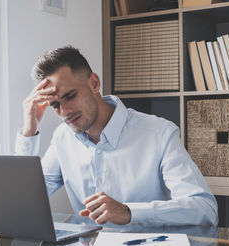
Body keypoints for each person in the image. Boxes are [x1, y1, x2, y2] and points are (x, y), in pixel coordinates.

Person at [15, 46, 218, 226]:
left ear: (94, 83)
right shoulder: (63, 138)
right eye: (55, 105)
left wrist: (129, 212)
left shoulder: (159, 133)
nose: (65, 111)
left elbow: (205, 209)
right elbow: (23, 199)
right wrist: (29, 131)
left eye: (70, 96)